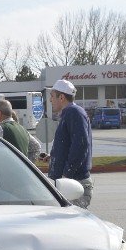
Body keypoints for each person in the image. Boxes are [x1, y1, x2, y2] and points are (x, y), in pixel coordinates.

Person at [46, 79, 94, 208]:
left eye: (52, 96)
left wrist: (66, 175)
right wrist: (54, 157)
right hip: (67, 184)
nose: (50, 100)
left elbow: (81, 145)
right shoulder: (68, 114)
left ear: (61, 97)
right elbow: (70, 145)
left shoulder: (74, 112)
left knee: (72, 225)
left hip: (73, 185)